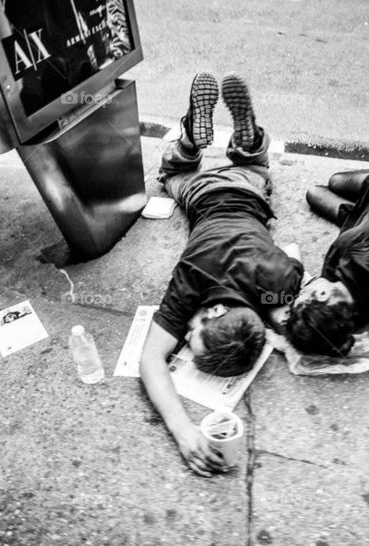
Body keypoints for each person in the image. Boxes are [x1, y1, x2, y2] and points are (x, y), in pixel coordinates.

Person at [139, 73, 303, 477]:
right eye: (192, 336)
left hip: (249, 192)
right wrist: (183, 432)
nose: (184, 338)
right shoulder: (191, 277)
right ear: (211, 312)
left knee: (255, 168)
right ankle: (193, 147)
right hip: (199, 194)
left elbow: (294, 260)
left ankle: (236, 144)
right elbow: (150, 361)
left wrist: (271, 310)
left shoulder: (277, 283)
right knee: (172, 176)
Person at [286, 169, 369, 356]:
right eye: (302, 294)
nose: (302, 289)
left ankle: (357, 207)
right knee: (334, 181)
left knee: (315, 193)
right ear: (323, 294)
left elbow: (315, 331)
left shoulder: (349, 312)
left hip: (358, 222)